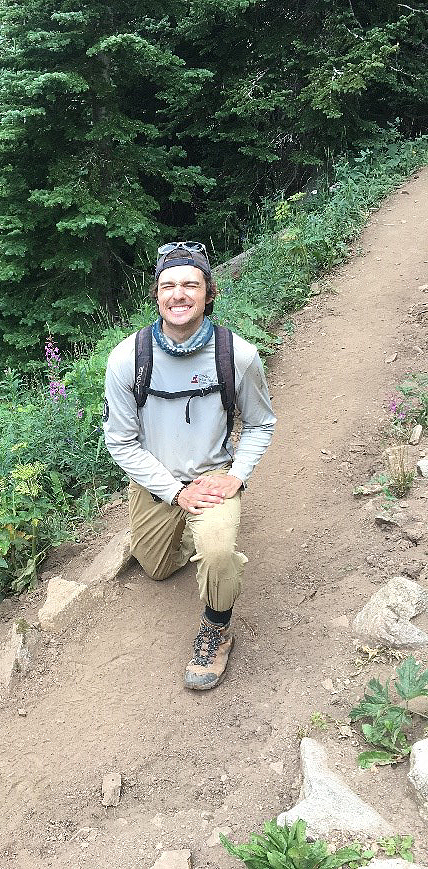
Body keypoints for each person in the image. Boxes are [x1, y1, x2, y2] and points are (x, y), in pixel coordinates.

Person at [103, 241, 275, 690]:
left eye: (190, 285)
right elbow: (120, 440)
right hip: (158, 483)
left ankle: (217, 629)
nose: (179, 295)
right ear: (157, 295)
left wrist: (235, 476)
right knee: (156, 568)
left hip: (213, 479)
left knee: (218, 553)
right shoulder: (128, 359)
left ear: (209, 292)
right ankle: (183, 532)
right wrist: (175, 493)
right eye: (169, 286)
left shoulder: (238, 356)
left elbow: (260, 425)